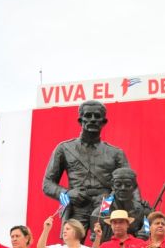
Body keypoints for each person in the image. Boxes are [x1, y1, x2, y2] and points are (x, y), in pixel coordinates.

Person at [42, 100, 130, 234]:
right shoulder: (64, 149)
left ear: (104, 121)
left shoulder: (116, 153)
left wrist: (109, 201)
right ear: (80, 120)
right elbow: (47, 184)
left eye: (97, 116)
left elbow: (128, 185)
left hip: (105, 206)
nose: (93, 120)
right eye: (88, 116)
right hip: (77, 206)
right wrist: (67, 194)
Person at [90, 167, 153, 242]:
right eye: (118, 184)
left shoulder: (143, 211)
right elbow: (95, 239)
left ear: (134, 187)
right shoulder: (100, 212)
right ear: (112, 186)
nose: (123, 188)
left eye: (128, 185)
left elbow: (147, 229)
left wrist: (145, 232)